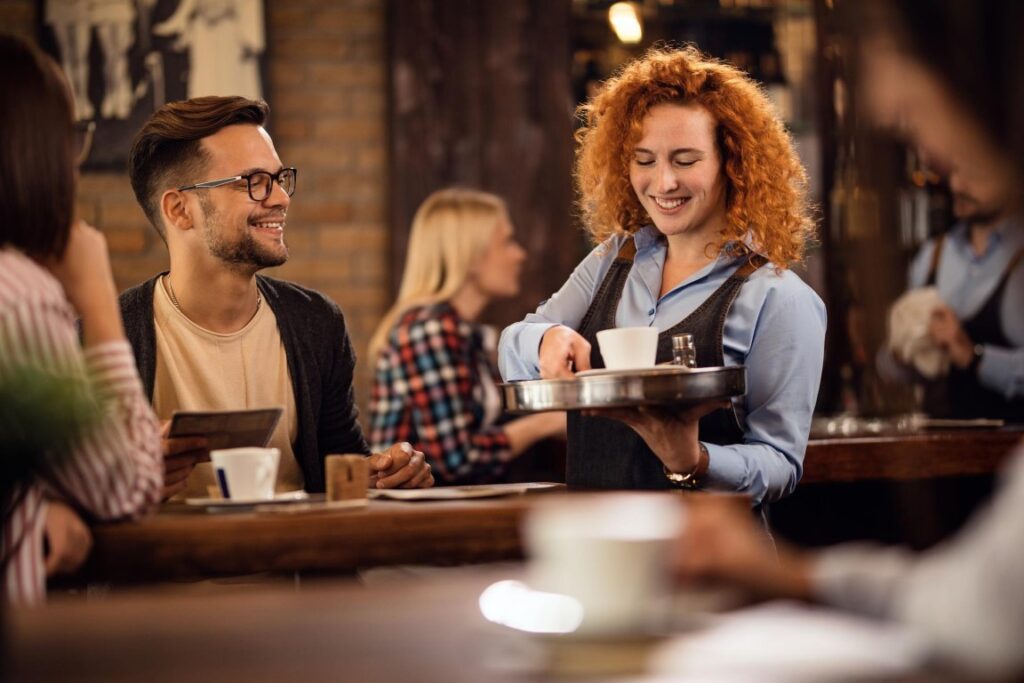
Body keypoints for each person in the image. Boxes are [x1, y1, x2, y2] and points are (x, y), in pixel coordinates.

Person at [675, 1, 1024, 676]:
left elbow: (781, 455)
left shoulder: (786, 298)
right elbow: (979, 595)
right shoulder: (930, 258)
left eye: (899, 52)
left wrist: (972, 354)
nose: (886, 100)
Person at [498, 47, 825, 506]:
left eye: (686, 160)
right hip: (596, 550)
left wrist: (693, 461)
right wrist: (544, 338)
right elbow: (514, 343)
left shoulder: (779, 297)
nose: (664, 182)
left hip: (704, 559)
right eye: (644, 160)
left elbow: (780, 465)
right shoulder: (615, 258)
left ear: (733, 163)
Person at [123, 95, 433, 500]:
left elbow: (339, 464)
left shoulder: (316, 321)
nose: (281, 198)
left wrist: (388, 474)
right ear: (181, 210)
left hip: (294, 560)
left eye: (278, 178)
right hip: (167, 564)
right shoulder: (107, 338)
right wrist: (122, 486)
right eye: (252, 181)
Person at [0, 34, 162, 605]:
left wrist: (30, 500)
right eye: (71, 138)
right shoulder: (20, 297)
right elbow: (128, 486)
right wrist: (95, 298)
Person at [368, 189, 565, 485]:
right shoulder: (430, 330)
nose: (520, 254)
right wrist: (549, 422)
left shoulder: (463, 333)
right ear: (471, 256)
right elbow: (457, 460)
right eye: (507, 242)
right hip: (415, 516)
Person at [884, 162, 1023, 421]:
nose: (957, 185)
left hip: (1013, 454)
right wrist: (899, 353)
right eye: (956, 171)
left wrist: (972, 355)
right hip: (943, 452)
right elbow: (895, 369)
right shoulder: (932, 256)